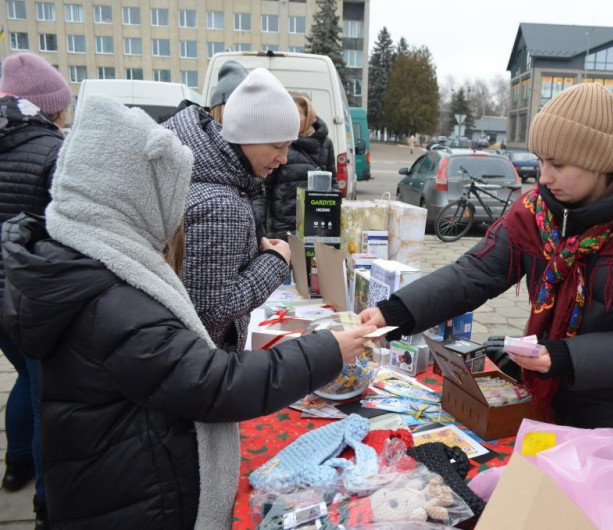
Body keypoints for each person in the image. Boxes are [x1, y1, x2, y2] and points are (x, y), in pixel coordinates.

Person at [1, 95, 375, 528]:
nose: (177, 215)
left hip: (108, 478)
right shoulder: (113, 300)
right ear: (134, 195)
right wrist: (327, 350)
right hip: (129, 499)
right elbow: (216, 383)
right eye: (170, 197)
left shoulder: (80, 265)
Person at [361, 83, 613, 437]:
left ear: (598, 162)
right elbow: (475, 272)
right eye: (540, 161)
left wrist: (565, 356)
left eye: (557, 164)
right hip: (550, 397)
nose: (543, 176)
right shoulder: (537, 212)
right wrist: (395, 312)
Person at [163, 68, 296, 351]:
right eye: (278, 146)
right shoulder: (221, 205)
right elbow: (211, 313)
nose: (284, 159)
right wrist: (274, 262)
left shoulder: (205, 172)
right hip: (201, 363)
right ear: (248, 136)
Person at [0, 51, 72, 529]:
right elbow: (63, 228)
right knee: (46, 390)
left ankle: (17, 467)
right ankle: (48, 500)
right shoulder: (53, 153)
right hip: (32, 289)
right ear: (49, 107)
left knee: (24, 378)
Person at [262, 95, 336, 240]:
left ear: (309, 116)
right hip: (282, 225)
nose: (292, 118)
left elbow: (333, 184)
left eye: (297, 114)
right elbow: (266, 187)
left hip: (315, 223)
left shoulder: (325, 144)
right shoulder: (282, 142)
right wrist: (261, 224)